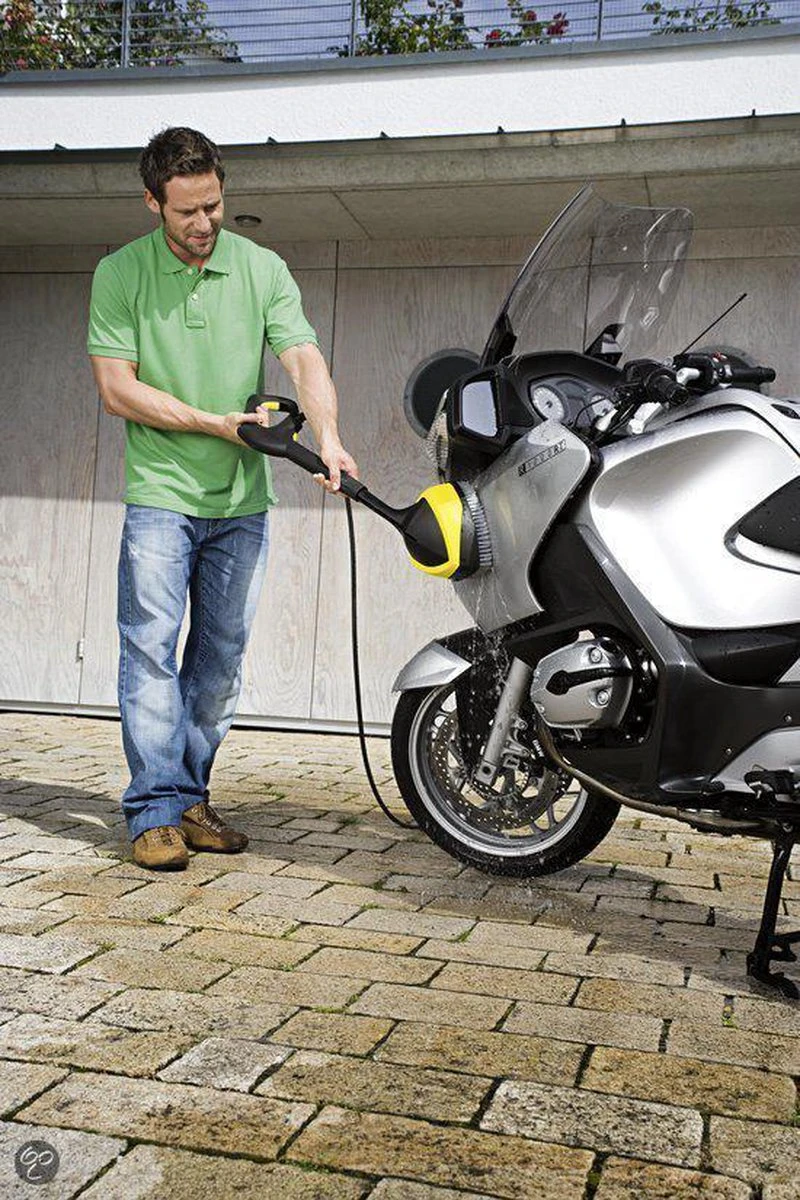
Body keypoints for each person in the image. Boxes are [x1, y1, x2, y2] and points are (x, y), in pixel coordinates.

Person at [87, 126, 357, 871]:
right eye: (186, 211)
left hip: (242, 504)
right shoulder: (120, 274)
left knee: (219, 661)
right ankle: (152, 811)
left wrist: (329, 436)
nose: (204, 223)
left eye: (213, 205)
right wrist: (214, 424)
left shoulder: (260, 267)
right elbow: (116, 389)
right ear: (153, 203)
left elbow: (303, 357)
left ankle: (189, 797)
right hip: (162, 493)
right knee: (150, 648)